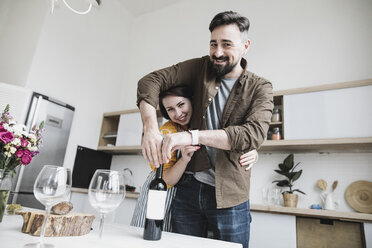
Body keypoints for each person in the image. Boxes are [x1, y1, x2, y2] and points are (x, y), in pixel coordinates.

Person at [137, 11, 273, 248]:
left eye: (226, 44)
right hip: (188, 189)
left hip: (231, 195)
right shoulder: (201, 68)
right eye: (213, 44)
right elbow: (149, 82)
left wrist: (191, 135)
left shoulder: (261, 88)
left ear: (245, 45)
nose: (217, 53)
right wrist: (150, 127)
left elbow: (251, 135)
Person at [131, 86, 259, 231]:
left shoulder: (206, 123)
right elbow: (166, 180)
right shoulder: (167, 131)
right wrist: (184, 159)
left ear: (192, 102)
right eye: (170, 109)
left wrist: (251, 150)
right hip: (163, 193)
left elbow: (232, 137)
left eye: (181, 104)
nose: (178, 113)